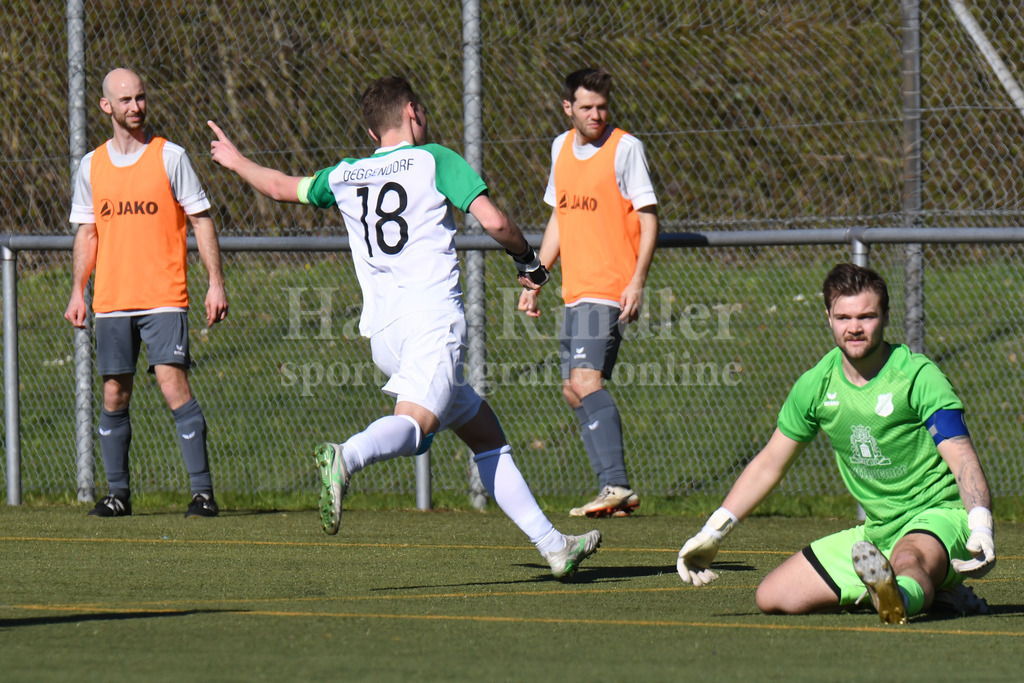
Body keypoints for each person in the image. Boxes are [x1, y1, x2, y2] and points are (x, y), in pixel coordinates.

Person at [207, 75, 601, 580]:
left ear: (373, 135)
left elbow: (285, 188)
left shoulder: (347, 174)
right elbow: (495, 222)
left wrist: (237, 161)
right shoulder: (435, 158)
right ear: (413, 111)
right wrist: (528, 260)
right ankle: (345, 456)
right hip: (431, 320)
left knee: (486, 435)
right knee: (416, 429)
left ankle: (553, 546)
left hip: (384, 334)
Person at [677, 263, 995, 624]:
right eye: (843, 317)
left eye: (867, 316)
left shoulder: (919, 376)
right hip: (877, 531)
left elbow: (962, 457)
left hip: (940, 519)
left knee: (909, 559)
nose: (854, 328)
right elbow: (770, 463)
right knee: (773, 596)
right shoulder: (816, 384)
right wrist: (713, 531)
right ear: (828, 316)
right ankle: (931, 593)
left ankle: (900, 596)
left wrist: (980, 523)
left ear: (886, 317)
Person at [64, 68, 229, 518]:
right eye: (125, 100)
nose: (135, 107)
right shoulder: (91, 165)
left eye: (140, 98)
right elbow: (88, 233)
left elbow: (201, 220)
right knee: (114, 394)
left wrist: (215, 282)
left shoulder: (170, 156)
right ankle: (118, 494)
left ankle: (202, 494)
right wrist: (78, 291)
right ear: (106, 107)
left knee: (172, 384)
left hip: (163, 296)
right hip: (112, 301)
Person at [518, 67, 658, 518]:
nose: (596, 114)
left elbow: (649, 218)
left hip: (608, 287)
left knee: (585, 381)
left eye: (602, 106)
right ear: (568, 108)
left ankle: (615, 484)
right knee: (571, 389)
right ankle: (613, 490)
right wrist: (539, 277)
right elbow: (559, 216)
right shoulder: (560, 147)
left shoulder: (625, 148)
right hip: (575, 290)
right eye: (586, 107)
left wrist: (636, 280)